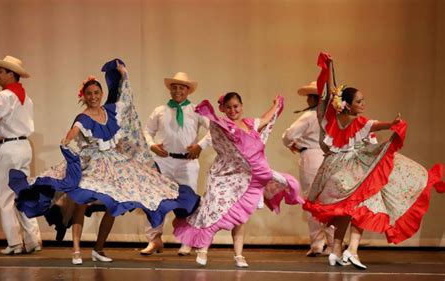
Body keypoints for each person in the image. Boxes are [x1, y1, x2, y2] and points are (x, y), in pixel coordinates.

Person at [8, 59, 199, 265]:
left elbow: (125, 99)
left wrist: (124, 74)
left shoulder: (110, 111)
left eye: (96, 93)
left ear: (100, 94)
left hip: (113, 164)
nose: (93, 97)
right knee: (81, 201)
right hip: (92, 163)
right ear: (84, 96)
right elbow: (74, 130)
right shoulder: (84, 117)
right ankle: (76, 250)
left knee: (113, 203)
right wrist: (67, 139)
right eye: (89, 94)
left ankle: (98, 248)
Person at [303, 53, 444, 270]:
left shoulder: (330, 118)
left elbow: (328, 95)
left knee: (346, 211)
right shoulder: (355, 121)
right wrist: (392, 123)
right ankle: (352, 250)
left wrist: (329, 67)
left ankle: (337, 250)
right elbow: (373, 125)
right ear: (347, 105)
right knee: (366, 205)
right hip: (351, 172)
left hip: (332, 172)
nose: (363, 104)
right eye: (359, 101)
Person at [173, 92, 303, 268]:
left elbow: (266, 118)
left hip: (244, 178)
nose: (233, 110)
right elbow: (211, 135)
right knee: (214, 209)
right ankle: (203, 248)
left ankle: (239, 255)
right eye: (228, 107)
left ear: (241, 106)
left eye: (236, 106)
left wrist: (276, 104)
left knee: (241, 217)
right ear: (223, 109)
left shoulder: (250, 123)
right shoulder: (221, 125)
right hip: (224, 175)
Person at [142, 72, 211, 256]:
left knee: (187, 203)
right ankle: (154, 239)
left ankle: (186, 241)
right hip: (163, 161)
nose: (178, 90)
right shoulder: (160, 110)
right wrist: (152, 146)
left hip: (186, 163)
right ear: (170, 89)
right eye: (175, 87)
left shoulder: (196, 111)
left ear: (188, 91)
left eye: (182, 87)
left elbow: (215, 130)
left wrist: (200, 145)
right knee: (156, 200)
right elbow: (147, 131)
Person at [0, 55, 42, 255]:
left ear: (10, 74)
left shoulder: (4, 96)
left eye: (0, 71)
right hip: (24, 147)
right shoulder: (27, 98)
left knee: (6, 196)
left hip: (8, 147)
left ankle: (15, 242)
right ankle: (33, 239)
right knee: (22, 193)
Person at [282, 81, 334, 257]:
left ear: (314, 98)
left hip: (312, 156)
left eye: (309, 96)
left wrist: (292, 144)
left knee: (312, 201)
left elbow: (288, 135)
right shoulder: (331, 116)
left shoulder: (310, 116)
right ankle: (333, 243)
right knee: (328, 201)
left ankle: (318, 243)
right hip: (330, 157)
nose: (307, 100)